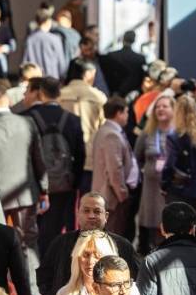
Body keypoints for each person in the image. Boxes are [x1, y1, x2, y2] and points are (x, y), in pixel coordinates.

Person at [0, 85, 48, 295]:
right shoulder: (28, 123)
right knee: (28, 242)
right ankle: (34, 292)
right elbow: (39, 160)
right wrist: (44, 189)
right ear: (8, 101)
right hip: (25, 194)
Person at [36, 192, 140, 295]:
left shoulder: (122, 246)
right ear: (78, 214)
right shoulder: (61, 243)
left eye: (97, 211)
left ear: (106, 216)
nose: (91, 216)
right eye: (86, 211)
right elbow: (44, 276)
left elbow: (135, 278)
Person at [26, 77, 85, 257]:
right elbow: (80, 155)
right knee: (58, 227)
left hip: (35, 184)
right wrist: (74, 182)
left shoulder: (28, 118)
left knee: (35, 229)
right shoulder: (73, 120)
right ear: (59, 93)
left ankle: (37, 262)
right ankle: (56, 261)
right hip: (63, 184)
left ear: (40, 92)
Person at [162, 94, 196, 229]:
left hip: (177, 191)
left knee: (177, 230)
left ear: (177, 112)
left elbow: (169, 164)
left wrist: (164, 184)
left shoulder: (173, 137)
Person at [133, 92, 174, 253]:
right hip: (150, 188)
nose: (160, 109)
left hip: (170, 188)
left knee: (168, 222)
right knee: (150, 225)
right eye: (157, 107)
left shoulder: (178, 133)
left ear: (173, 110)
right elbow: (136, 157)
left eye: (165, 106)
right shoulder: (147, 132)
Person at [91, 97, 138, 237]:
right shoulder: (111, 134)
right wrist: (123, 195)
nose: (128, 116)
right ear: (119, 113)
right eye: (126, 112)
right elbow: (114, 170)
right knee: (112, 237)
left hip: (108, 196)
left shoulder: (105, 130)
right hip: (112, 198)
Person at [51, 231, 120, 295]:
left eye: (97, 255)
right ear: (78, 258)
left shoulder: (126, 292)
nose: (90, 261)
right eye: (86, 255)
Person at [60, 58, 108, 190]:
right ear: (88, 74)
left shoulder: (59, 95)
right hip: (90, 155)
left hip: (63, 154)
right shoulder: (98, 97)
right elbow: (104, 127)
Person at [24, 6, 68, 79]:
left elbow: (25, 62)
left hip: (35, 79)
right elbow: (61, 65)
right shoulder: (55, 39)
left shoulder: (30, 39)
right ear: (48, 21)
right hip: (52, 79)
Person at [103, 30, 147, 96]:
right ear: (134, 40)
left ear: (123, 39)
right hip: (134, 95)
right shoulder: (140, 58)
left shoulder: (112, 56)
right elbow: (142, 79)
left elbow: (106, 76)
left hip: (115, 94)